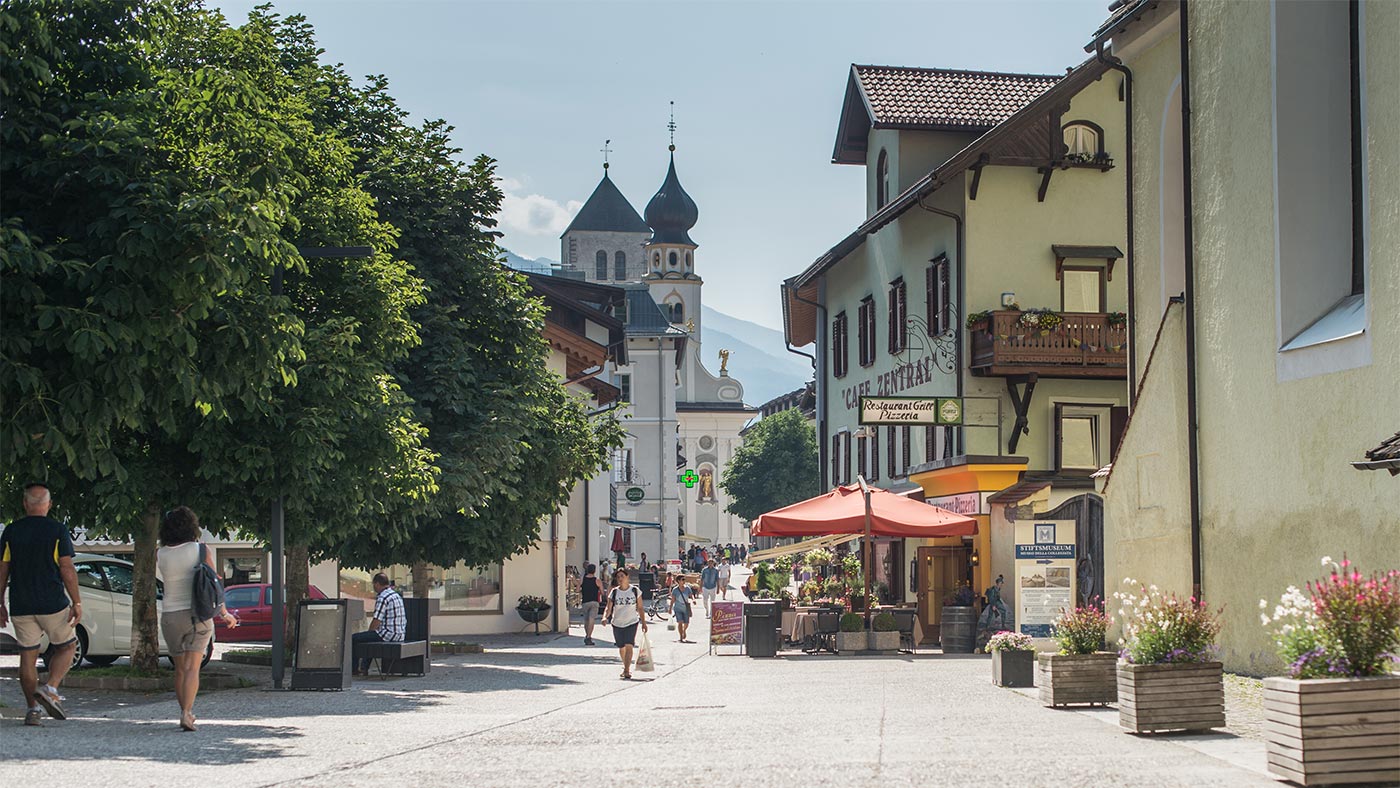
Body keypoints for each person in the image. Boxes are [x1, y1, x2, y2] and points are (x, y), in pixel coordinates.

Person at [0, 483, 82, 727]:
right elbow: (66, 568)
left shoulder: (12, 531)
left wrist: (0, 602)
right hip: (52, 602)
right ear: (49, 504)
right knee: (68, 646)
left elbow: (3, 568)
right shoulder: (57, 529)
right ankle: (51, 687)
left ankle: (32, 710)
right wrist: (76, 601)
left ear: (25, 504)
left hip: (21, 603)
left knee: (27, 657)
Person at [156, 506, 238, 732]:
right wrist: (224, 613)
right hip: (197, 615)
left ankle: (183, 712)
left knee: (180, 669)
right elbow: (213, 584)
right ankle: (187, 713)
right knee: (193, 668)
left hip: (170, 617)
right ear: (192, 526)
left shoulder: (160, 553)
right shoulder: (201, 550)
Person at [353, 573, 406, 676]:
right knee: (369, 638)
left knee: (354, 638)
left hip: (388, 634)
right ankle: (364, 668)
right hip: (399, 634)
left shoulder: (382, 597)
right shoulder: (395, 595)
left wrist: (369, 632)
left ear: (377, 584)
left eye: (374, 585)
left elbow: (377, 620)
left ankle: (355, 669)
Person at [601, 568, 647, 679]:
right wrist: (604, 617)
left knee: (629, 645)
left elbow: (640, 608)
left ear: (627, 577)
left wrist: (644, 623)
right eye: (618, 577)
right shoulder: (615, 592)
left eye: (622, 576)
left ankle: (627, 670)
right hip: (617, 623)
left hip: (632, 622)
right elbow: (609, 607)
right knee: (621, 647)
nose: (620, 579)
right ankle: (625, 665)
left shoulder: (635, 591)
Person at [580, 564, 603, 646]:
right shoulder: (597, 580)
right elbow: (602, 592)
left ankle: (587, 636)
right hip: (594, 601)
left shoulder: (583, 579)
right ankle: (589, 636)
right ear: (595, 570)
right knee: (592, 619)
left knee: (586, 620)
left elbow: (578, 588)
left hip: (585, 601)